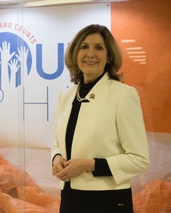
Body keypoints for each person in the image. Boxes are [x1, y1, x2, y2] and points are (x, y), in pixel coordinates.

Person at [51, 24, 149, 213]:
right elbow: (57, 143)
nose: (90, 53)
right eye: (84, 46)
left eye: (99, 47)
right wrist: (56, 158)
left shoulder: (124, 95)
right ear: (75, 53)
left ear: (109, 56)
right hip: (70, 198)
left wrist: (88, 165)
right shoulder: (66, 96)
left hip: (107, 201)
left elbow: (139, 159)